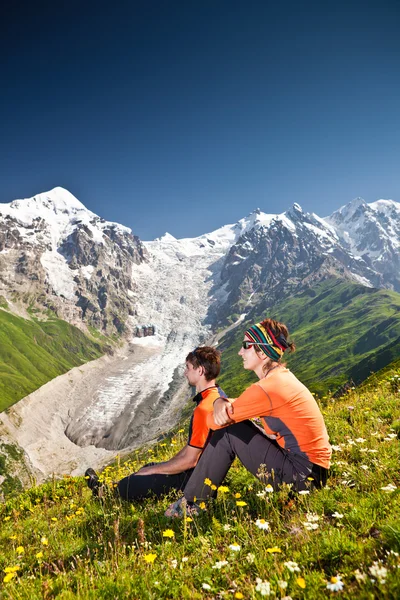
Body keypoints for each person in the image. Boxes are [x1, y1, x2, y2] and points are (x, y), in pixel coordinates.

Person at [165, 318, 331, 517]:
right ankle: (194, 499)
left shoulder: (267, 388)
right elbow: (242, 404)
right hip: (313, 472)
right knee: (236, 423)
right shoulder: (280, 378)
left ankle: (191, 504)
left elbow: (213, 422)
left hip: (302, 477)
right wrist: (221, 402)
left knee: (228, 430)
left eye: (246, 346)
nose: (240, 352)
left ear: (261, 352)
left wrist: (220, 403)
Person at [85, 346, 226, 501]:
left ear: (200, 371)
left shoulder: (204, 409)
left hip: (193, 481)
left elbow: (191, 460)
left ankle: (104, 493)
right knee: (149, 467)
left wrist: (155, 471)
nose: (185, 372)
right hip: (205, 475)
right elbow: (193, 448)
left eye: (188, 367)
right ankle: (110, 489)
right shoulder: (218, 396)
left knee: (132, 482)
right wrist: (164, 465)